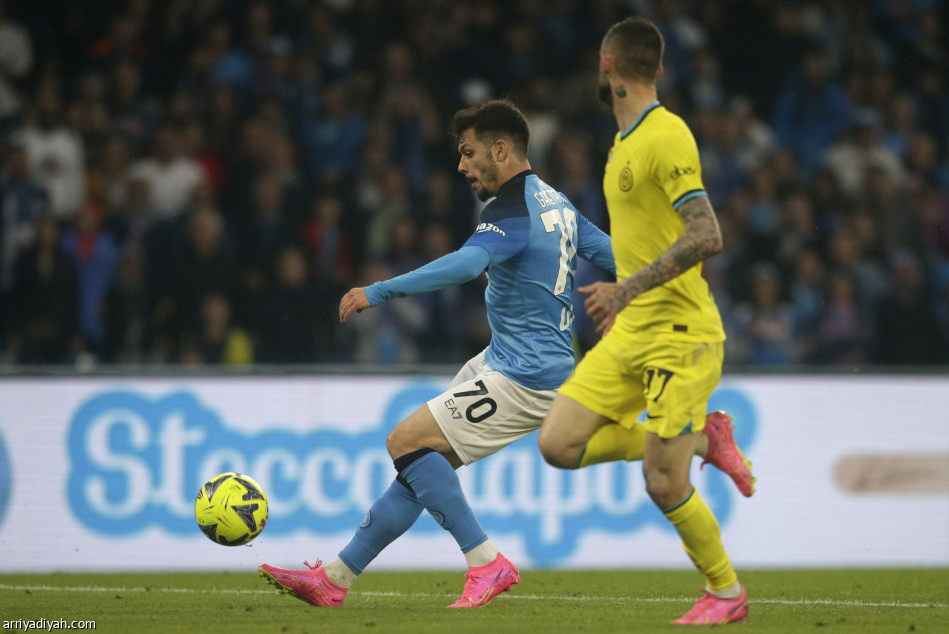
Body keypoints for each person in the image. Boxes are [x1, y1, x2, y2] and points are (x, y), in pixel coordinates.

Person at [258, 98, 616, 608]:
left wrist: (377, 290)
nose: (462, 166)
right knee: (420, 464)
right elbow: (614, 255)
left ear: (501, 149)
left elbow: (468, 265)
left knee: (404, 440)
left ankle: (486, 562)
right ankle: (334, 578)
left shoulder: (512, 211)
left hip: (526, 375)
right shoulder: (556, 202)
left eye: (469, 154)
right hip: (509, 360)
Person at [537, 17, 754, 626]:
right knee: (557, 444)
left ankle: (725, 591)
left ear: (606, 65)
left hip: (681, 334)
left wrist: (625, 288)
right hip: (634, 329)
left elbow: (707, 233)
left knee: (663, 482)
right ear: (655, 68)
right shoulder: (623, 141)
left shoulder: (666, 135)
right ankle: (703, 438)